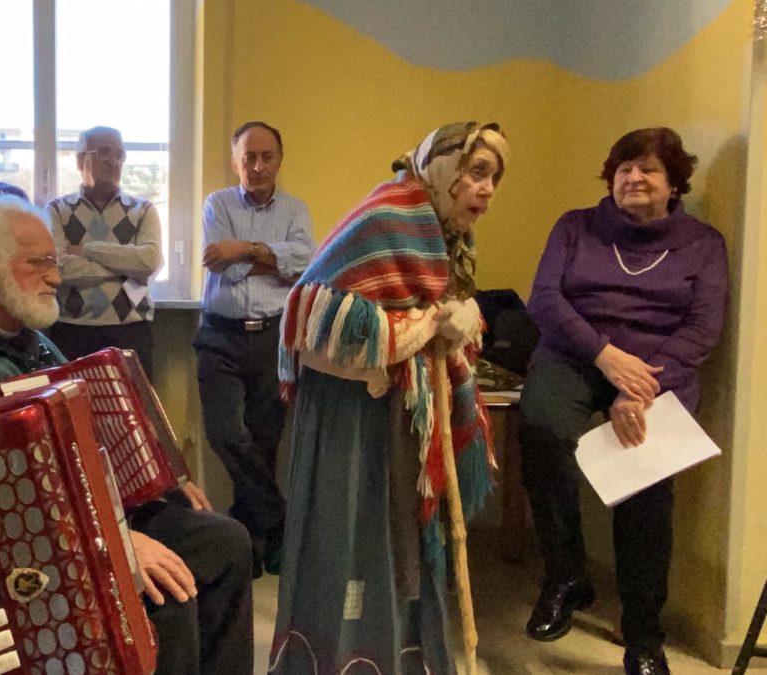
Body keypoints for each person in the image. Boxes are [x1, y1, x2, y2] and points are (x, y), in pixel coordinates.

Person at [0, 195, 254, 675]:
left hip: (91, 516)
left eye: (54, 261)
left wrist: (157, 480)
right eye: (39, 262)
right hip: (34, 549)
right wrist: (112, 543)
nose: (56, 277)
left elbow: (86, 432)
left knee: (227, 542)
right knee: (167, 596)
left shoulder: (29, 340)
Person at [272, 122, 509, 674]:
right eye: (477, 172)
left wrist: (459, 321)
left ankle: (402, 658)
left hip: (402, 417)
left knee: (403, 542)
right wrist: (427, 326)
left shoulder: (450, 239)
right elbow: (312, 317)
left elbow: (437, 309)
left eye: (495, 178)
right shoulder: (385, 218)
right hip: (350, 419)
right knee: (351, 539)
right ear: (444, 169)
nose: (487, 189)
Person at [519, 128, 727, 675]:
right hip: (575, 355)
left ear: (674, 183)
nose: (633, 178)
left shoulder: (704, 244)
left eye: (648, 169)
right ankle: (566, 575)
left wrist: (637, 387)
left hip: (657, 372)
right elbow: (545, 301)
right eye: (623, 169)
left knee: (646, 484)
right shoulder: (574, 226)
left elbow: (703, 329)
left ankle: (643, 636)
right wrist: (606, 356)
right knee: (541, 425)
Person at [194, 121, 313, 577]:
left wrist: (243, 248)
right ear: (235, 162)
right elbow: (224, 268)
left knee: (265, 440)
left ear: (280, 160)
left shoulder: (296, 209)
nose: (258, 166)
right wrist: (275, 260)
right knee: (225, 432)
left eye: (267, 157)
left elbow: (307, 265)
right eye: (249, 157)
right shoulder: (217, 204)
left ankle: (251, 544)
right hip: (219, 336)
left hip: (273, 337)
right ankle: (281, 523)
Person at [45, 126, 162, 377]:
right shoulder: (57, 209)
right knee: (73, 403)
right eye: (104, 152)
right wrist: (125, 268)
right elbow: (59, 268)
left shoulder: (143, 210)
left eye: (120, 154)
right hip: (72, 331)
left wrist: (86, 250)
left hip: (131, 331)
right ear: (80, 160)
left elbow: (149, 261)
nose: (114, 161)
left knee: (133, 403)